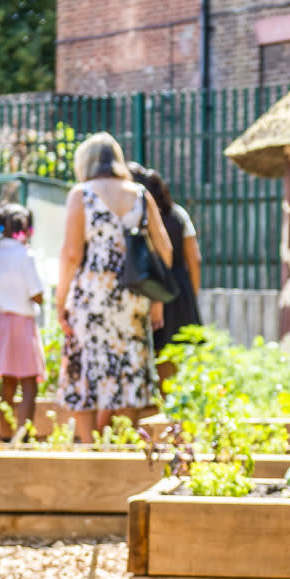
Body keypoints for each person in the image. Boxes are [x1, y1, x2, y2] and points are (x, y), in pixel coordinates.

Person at [56, 133, 172, 443]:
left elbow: (71, 254)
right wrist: (156, 300)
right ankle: (123, 448)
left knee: (87, 367)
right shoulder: (140, 194)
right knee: (128, 366)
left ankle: (89, 449)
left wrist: (60, 299)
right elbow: (165, 249)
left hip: (91, 297)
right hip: (133, 298)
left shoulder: (81, 194)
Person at [0, 203, 46, 440]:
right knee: (29, 383)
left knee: (7, 383)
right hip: (22, 323)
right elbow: (37, 293)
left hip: (0, 321)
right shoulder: (25, 257)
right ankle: (23, 436)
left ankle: (6, 434)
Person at [127, 162, 202, 359]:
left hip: (147, 286)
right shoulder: (179, 214)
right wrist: (190, 296)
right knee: (178, 356)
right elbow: (194, 259)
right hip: (178, 288)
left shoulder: (135, 215)